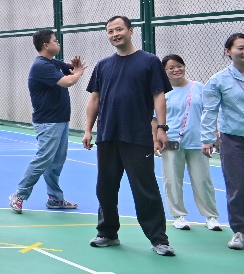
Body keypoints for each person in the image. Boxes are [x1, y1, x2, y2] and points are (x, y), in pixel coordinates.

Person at [82, 15, 175, 256]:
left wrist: (161, 128)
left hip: (137, 136)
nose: (115, 34)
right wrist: (88, 129)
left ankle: (159, 239)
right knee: (105, 187)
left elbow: (159, 95)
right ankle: (107, 233)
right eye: (110, 31)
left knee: (145, 189)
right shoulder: (103, 65)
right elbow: (94, 99)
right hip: (107, 135)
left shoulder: (149, 61)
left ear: (131, 31)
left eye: (119, 29)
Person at [10, 29, 87, 214]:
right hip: (48, 122)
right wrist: (78, 72)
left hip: (60, 120)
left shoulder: (52, 63)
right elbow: (68, 81)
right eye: (55, 40)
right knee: (44, 158)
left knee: (56, 162)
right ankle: (19, 194)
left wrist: (74, 67)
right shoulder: (41, 66)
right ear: (46, 45)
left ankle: (55, 199)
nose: (58, 43)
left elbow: (69, 70)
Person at [159, 54, 218, 231]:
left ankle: (211, 216)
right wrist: (156, 139)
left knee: (203, 180)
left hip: (197, 142)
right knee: (172, 180)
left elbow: (209, 112)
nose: (176, 70)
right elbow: (155, 119)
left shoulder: (199, 87)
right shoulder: (162, 92)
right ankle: (178, 216)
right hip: (171, 142)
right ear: (164, 71)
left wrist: (213, 134)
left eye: (179, 66)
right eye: (171, 68)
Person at [201, 32, 244, 250]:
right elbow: (209, 111)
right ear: (228, 51)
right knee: (237, 185)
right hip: (233, 140)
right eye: (240, 48)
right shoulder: (218, 80)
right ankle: (240, 231)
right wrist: (208, 139)